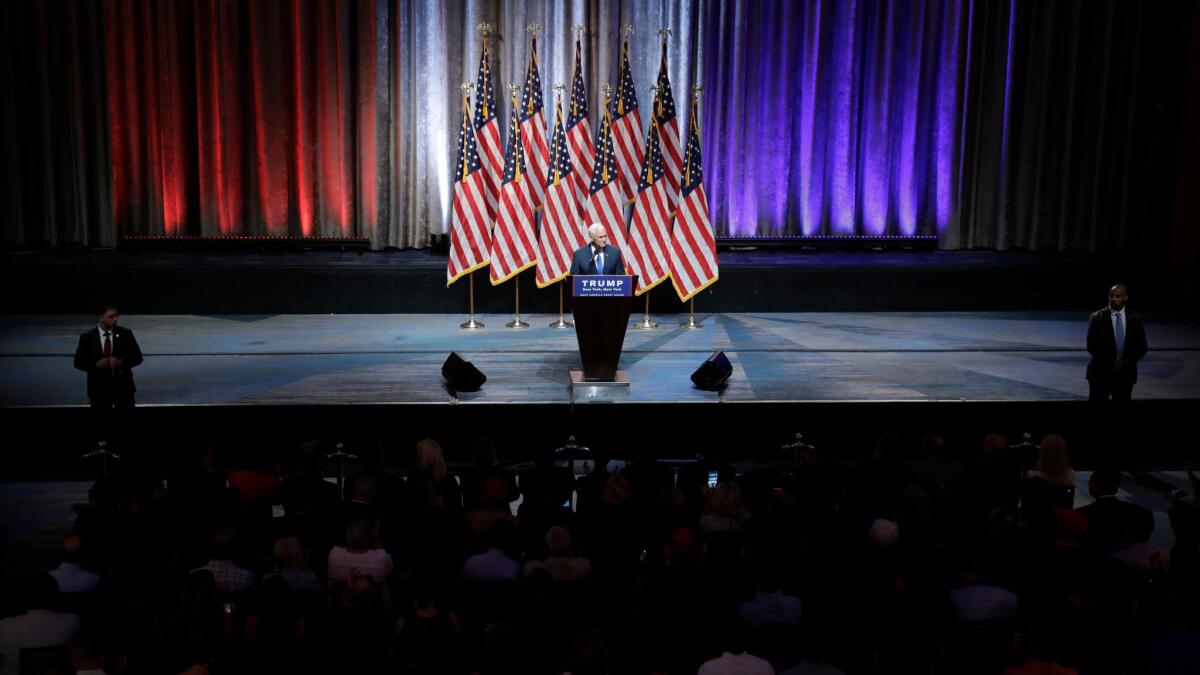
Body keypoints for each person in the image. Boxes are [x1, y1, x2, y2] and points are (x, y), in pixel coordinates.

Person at [73, 304, 144, 410]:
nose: (115, 319)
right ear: (100, 318)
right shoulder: (87, 337)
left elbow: (138, 357)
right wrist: (95, 365)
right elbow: (78, 362)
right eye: (111, 317)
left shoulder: (126, 334)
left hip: (124, 389)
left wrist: (120, 362)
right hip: (98, 391)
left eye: (116, 316)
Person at [1086, 284, 1147, 403]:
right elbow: (1092, 345)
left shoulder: (1135, 319)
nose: (1113, 298)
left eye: (1117, 296)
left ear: (1125, 298)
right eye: (1111, 296)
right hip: (1101, 374)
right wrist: (1112, 362)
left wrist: (1126, 362)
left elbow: (1141, 346)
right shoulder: (1096, 317)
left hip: (1125, 374)